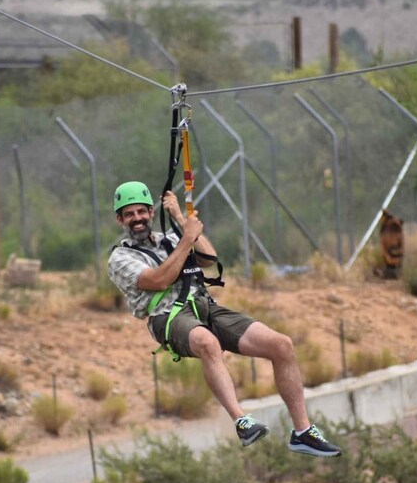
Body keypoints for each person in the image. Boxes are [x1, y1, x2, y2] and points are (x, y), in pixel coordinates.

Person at [107, 180, 342, 457]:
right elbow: (158, 280)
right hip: (167, 318)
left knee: (282, 345)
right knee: (208, 343)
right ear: (120, 219)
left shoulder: (169, 238)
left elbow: (208, 259)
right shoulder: (120, 258)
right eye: (129, 214)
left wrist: (182, 220)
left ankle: (303, 433)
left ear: (150, 212)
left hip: (203, 305)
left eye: (141, 212)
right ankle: (241, 421)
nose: (137, 219)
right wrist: (186, 238)